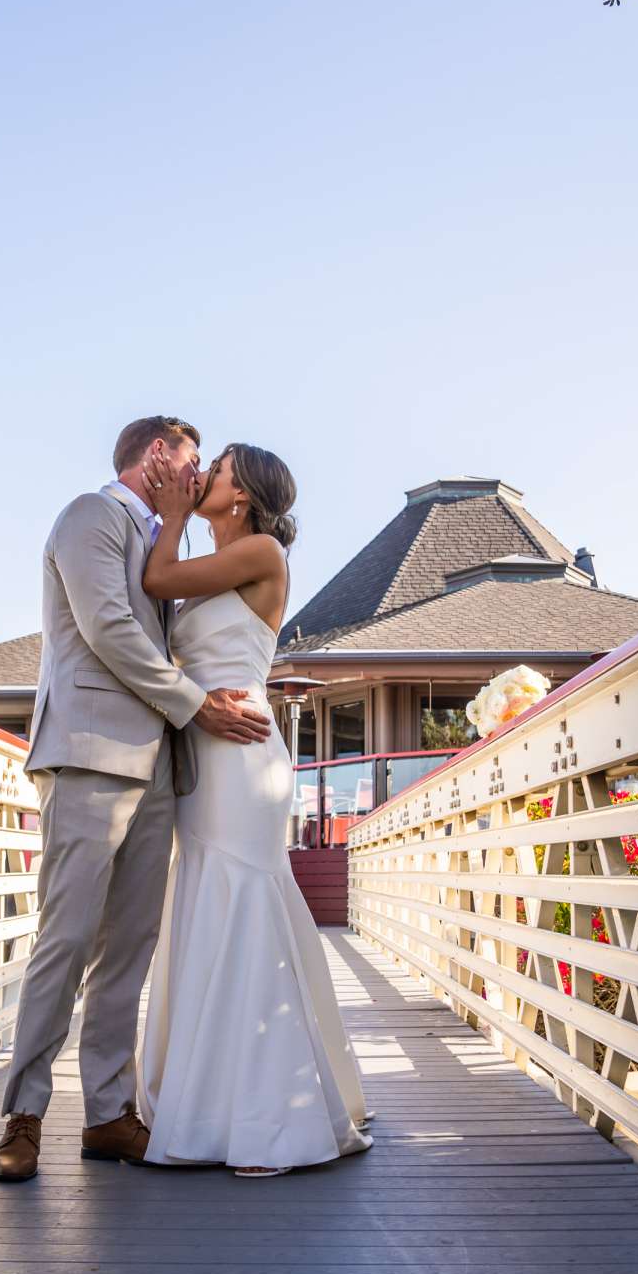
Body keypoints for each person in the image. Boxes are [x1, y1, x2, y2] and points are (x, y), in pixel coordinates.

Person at [0, 417, 273, 1183]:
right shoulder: (89, 515)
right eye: (190, 459)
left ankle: (108, 1115)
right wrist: (195, 704)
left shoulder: (159, 540)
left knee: (128, 950)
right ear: (157, 456)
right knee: (67, 939)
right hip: (88, 756)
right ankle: (23, 1117)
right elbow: (109, 628)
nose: (196, 471)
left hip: (158, 770)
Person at [132, 442, 372, 1177]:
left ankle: (271, 1119)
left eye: (221, 468)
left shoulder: (261, 550)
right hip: (202, 749)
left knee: (243, 899)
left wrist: (169, 511)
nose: (206, 477)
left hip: (242, 752)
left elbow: (156, 577)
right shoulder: (214, 569)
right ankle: (205, 1102)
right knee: (207, 897)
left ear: (242, 497)